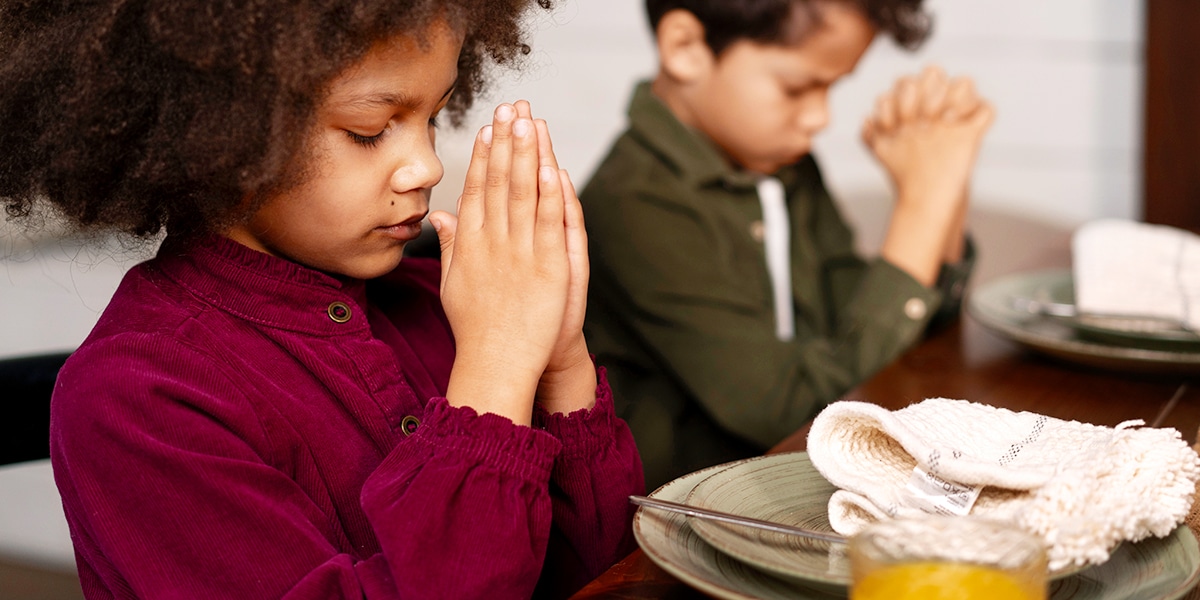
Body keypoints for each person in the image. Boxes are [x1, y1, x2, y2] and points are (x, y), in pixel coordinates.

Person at [0, 1, 643, 598]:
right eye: (368, 130)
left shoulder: (435, 304)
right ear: (222, 134)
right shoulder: (133, 396)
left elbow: (605, 574)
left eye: (433, 116)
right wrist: (497, 367)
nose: (425, 167)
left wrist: (560, 364)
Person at [581, 0, 994, 488]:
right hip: (691, 520)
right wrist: (924, 203)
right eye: (798, 87)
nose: (820, 117)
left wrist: (944, 181)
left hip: (806, 486)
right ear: (685, 47)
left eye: (832, 86)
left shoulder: (779, 164)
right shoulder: (634, 205)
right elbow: (791, 413)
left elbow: (879, 338)